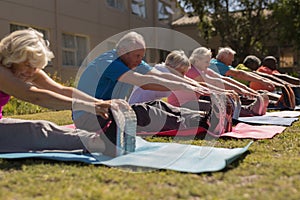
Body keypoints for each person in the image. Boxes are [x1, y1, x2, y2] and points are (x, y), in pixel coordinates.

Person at [0, 28, 133, 157]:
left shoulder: (27, 71)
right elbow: (34, 96)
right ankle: (103, 145)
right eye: (28, 65)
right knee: (38, 130)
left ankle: (100, 140)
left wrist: (100, 103)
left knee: (45, 127)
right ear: (14, 57)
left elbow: (62, 90)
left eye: (35, 67)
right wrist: (88, 106)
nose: (31, 72)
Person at [75, 32, 227, 135]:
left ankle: (205, 116)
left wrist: (193, 86)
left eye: (142, 56)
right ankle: (204, 122)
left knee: (158, 105)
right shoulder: (108, 62)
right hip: (90, 117)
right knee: (144, 112)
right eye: (137, 55)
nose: (140, 60)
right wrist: (185, 86)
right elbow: (143, 82)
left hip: (110, 112)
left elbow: (159, 75)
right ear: (122, 50)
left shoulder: (131, 61)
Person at [182, 47, 270, 117]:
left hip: (198, 99)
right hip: (187, 104)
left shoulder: (204, 69)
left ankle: (249, 108)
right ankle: (249, 110)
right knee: (221, 101)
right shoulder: (192, 71)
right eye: (206, 62)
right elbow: (215, 82)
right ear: (197, 61)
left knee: (224, 98)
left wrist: (245, 89)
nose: (209, 64)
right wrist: (231, 91)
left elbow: (224, 79)